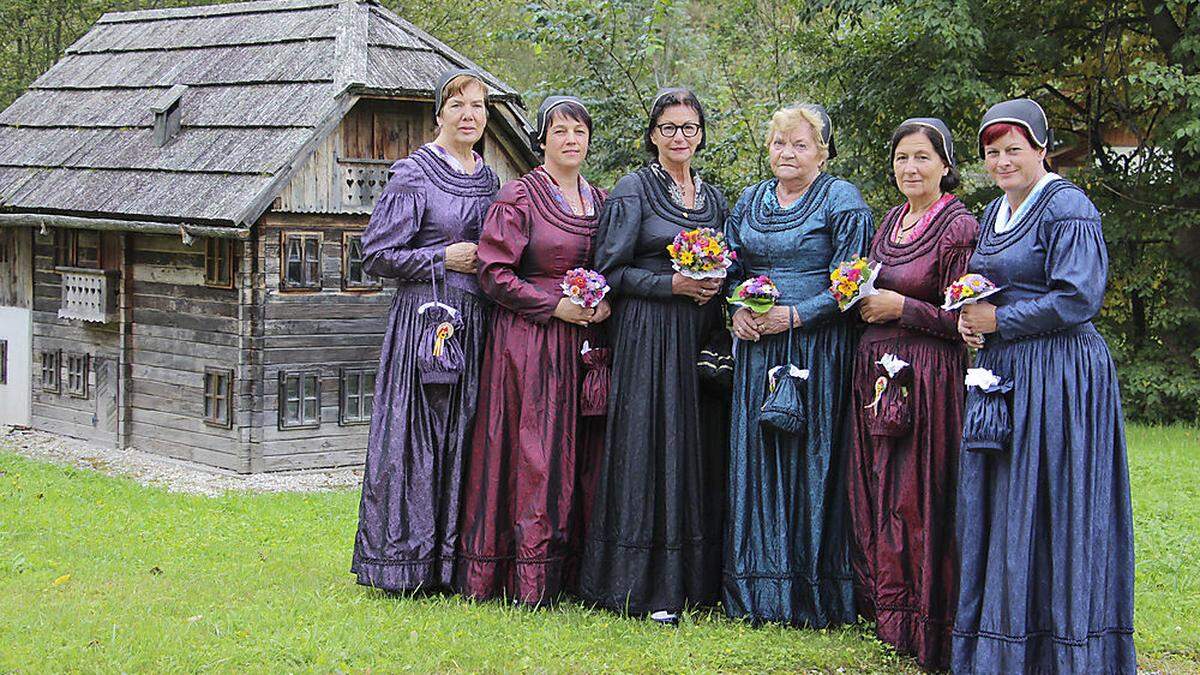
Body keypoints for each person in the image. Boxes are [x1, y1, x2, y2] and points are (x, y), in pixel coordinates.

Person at [953, 98, 1136, 672]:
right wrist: (970, 313)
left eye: (1013, 149)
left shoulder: (1067, 207)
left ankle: (1063, 647)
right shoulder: (994, 213)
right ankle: (1010, 643)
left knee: (1054, 501)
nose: (1002, 161)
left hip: (1060, 375)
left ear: (1040, 148)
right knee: (1008, 501)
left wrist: (1000, 320)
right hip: (1009, 373)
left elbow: (1079, 297)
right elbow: (992, 282)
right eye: (992, 152)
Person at [579, 88, 729, 618]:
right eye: (668, 128)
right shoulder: (632, 190)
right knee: (648, 447)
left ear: (702, 134)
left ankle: (693, 584)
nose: (680, 138)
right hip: (646, 334)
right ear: (652, 135)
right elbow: (609, 272)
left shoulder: (714, 199)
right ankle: (637, 586)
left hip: (697, 337)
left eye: (689, 128)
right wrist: (672, 286)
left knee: (693, 451)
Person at [723, 103, 874, 627]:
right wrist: (738, 309)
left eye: (800, 144)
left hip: (816, 349)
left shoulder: (843, 200)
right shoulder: (749, 200)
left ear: (823, 151)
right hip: (759, 349)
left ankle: (815, 594)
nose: (787, 153)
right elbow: (728, 266)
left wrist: (794, 316)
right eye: (779, 144)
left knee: (810, 462)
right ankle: (756, 592)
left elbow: (850, 285)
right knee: (757, 460)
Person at [456, 96, 609, 605]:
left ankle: (572, 575)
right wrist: (554, 305)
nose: (571, 140)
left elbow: (614, 266)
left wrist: (604, 304)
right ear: (541, 140)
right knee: (534, 453)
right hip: (528, 342)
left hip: (584, 346)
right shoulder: (517, 197)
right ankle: (526, 578)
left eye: (580, 132)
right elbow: (493, 273)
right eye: (560, 131)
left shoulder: (602, 201)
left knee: (579, 456)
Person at [351, 68, 499, 592]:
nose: (468, 115)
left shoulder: (489, 179)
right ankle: (405, 562)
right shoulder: (413, 174)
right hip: (426, 324)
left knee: (465, 435)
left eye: (478, 106)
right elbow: (375, 254)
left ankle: (453, 563)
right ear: (439, 113)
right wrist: (442, 255)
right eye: (457, 105)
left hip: (477, 323)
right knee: (418, 439)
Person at [845, 118, 978, 670]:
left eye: (922, 158)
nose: (910, 169)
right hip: (879, 372)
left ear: (945, 165)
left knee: (918, 493)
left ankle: (927, 619)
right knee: (878, 488)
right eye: (902, 158)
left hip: (929, 376)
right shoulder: (891, 221)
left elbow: (965, 319)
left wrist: (903, 309)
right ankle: (888, 611)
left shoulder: (958, 228)